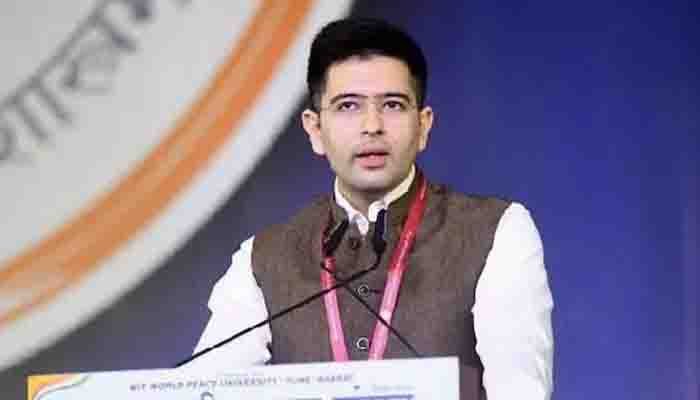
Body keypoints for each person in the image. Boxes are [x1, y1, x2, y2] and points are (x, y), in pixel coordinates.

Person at [193, 18, 554, 400]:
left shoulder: (496, 233)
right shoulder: (263, 258)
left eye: (393, 105)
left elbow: (520, 391)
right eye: (348, 106)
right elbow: (201, 389)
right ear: (315, 130)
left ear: (423, 126)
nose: (372, 126)